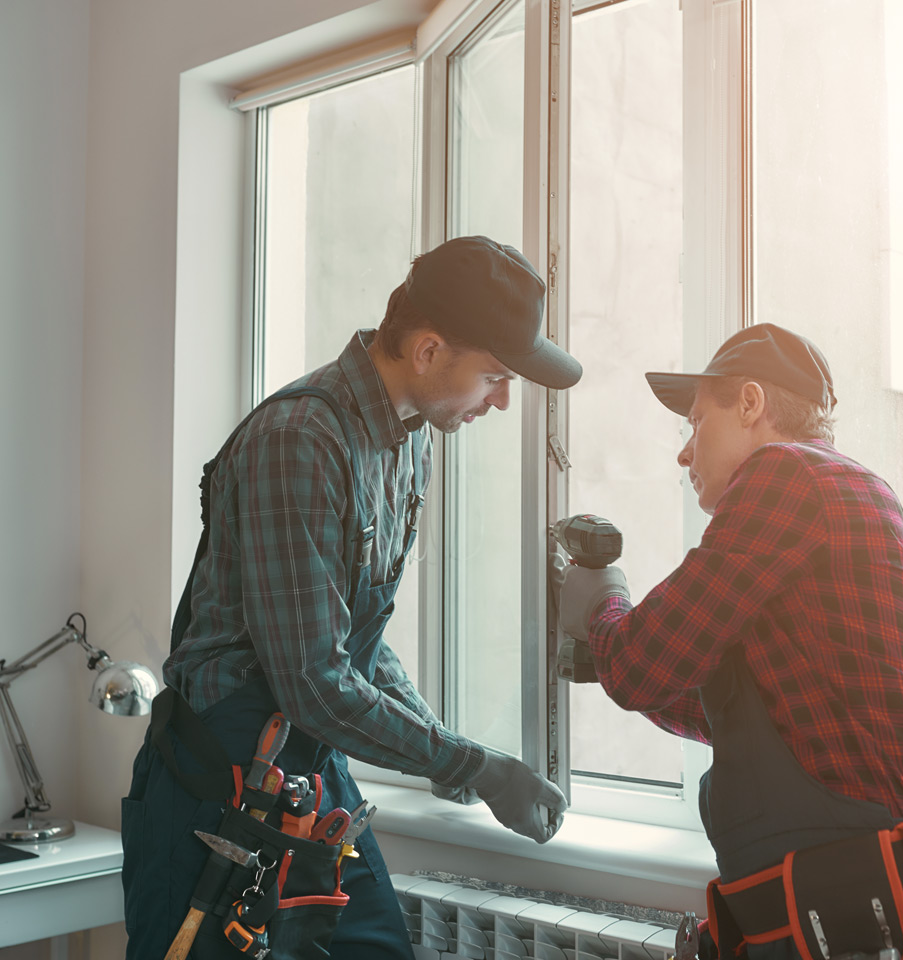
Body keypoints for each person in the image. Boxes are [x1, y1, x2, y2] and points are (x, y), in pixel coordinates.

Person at [123, 236, 574, 960]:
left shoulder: (408, 440)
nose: (501, 400)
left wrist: (441, 752)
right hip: (220, 780)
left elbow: (357, 637)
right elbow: (314, 680)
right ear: (427, 351)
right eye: (493, 376)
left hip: (304, 769)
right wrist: (472, 766)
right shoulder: (300, 440)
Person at [555, 324, 903, 960]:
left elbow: (643, 666)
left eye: (697, 423)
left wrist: (603, 602)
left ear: (751, 404)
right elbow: (741, 716)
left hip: (862, 897)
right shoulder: (860, 492)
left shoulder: (786, 475)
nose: (684, 454)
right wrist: (603, 651)